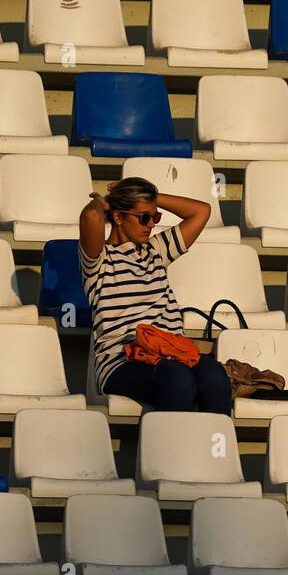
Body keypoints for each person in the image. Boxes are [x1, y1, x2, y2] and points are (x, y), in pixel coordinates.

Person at [79, 177, 232, 414]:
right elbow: (91, 218)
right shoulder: (100, 262)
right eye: (144, 217)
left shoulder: (155, 251)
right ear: (118, 217)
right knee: (178, 380)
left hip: (171, 353)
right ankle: (166, 450)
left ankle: (213, 450)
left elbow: (201, 211)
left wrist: (149, 197)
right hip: (122, 361)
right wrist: (104, 203)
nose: (151, 224)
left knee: (215, 377)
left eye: (155, 217)